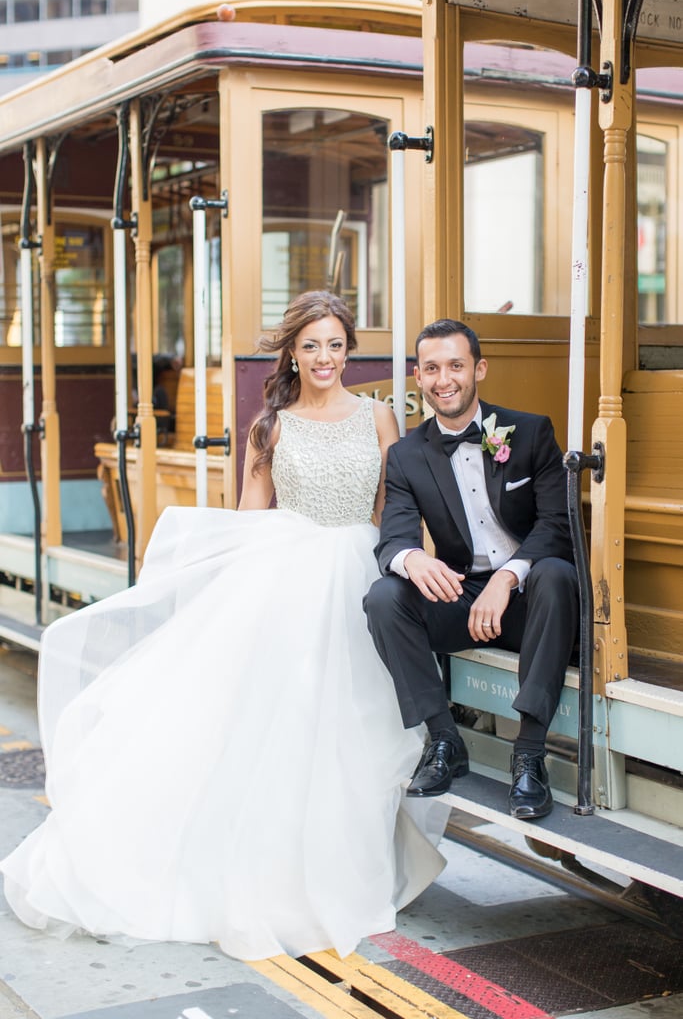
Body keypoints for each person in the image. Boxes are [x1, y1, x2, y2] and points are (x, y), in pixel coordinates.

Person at [0, 291, 448, 961]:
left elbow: (394, 509)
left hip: (362, 578)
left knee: (359, 729)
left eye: (334, 345)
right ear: (292, 353)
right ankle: (278, 877)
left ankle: (350, 867)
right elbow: (250, 517)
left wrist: (409, 569)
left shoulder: (380, 417)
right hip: (289, 583)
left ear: (348, 350)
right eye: (311, 346)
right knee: (290, 729)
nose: (324, 358)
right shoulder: (269, 427)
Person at [364, 318, 579, 820]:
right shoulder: (406, 455)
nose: (445, 379)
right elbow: (392, 537)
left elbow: (557, 526)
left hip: (528, 601)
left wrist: (507, 578)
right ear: (419, 376)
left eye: (456, 365)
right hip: (462, 600)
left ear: (478, 368)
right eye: (433, 368)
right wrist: (412, 557)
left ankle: (528, 755)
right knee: (383, 597)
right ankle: (443, 740)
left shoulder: (530, 432)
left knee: (555, 574)